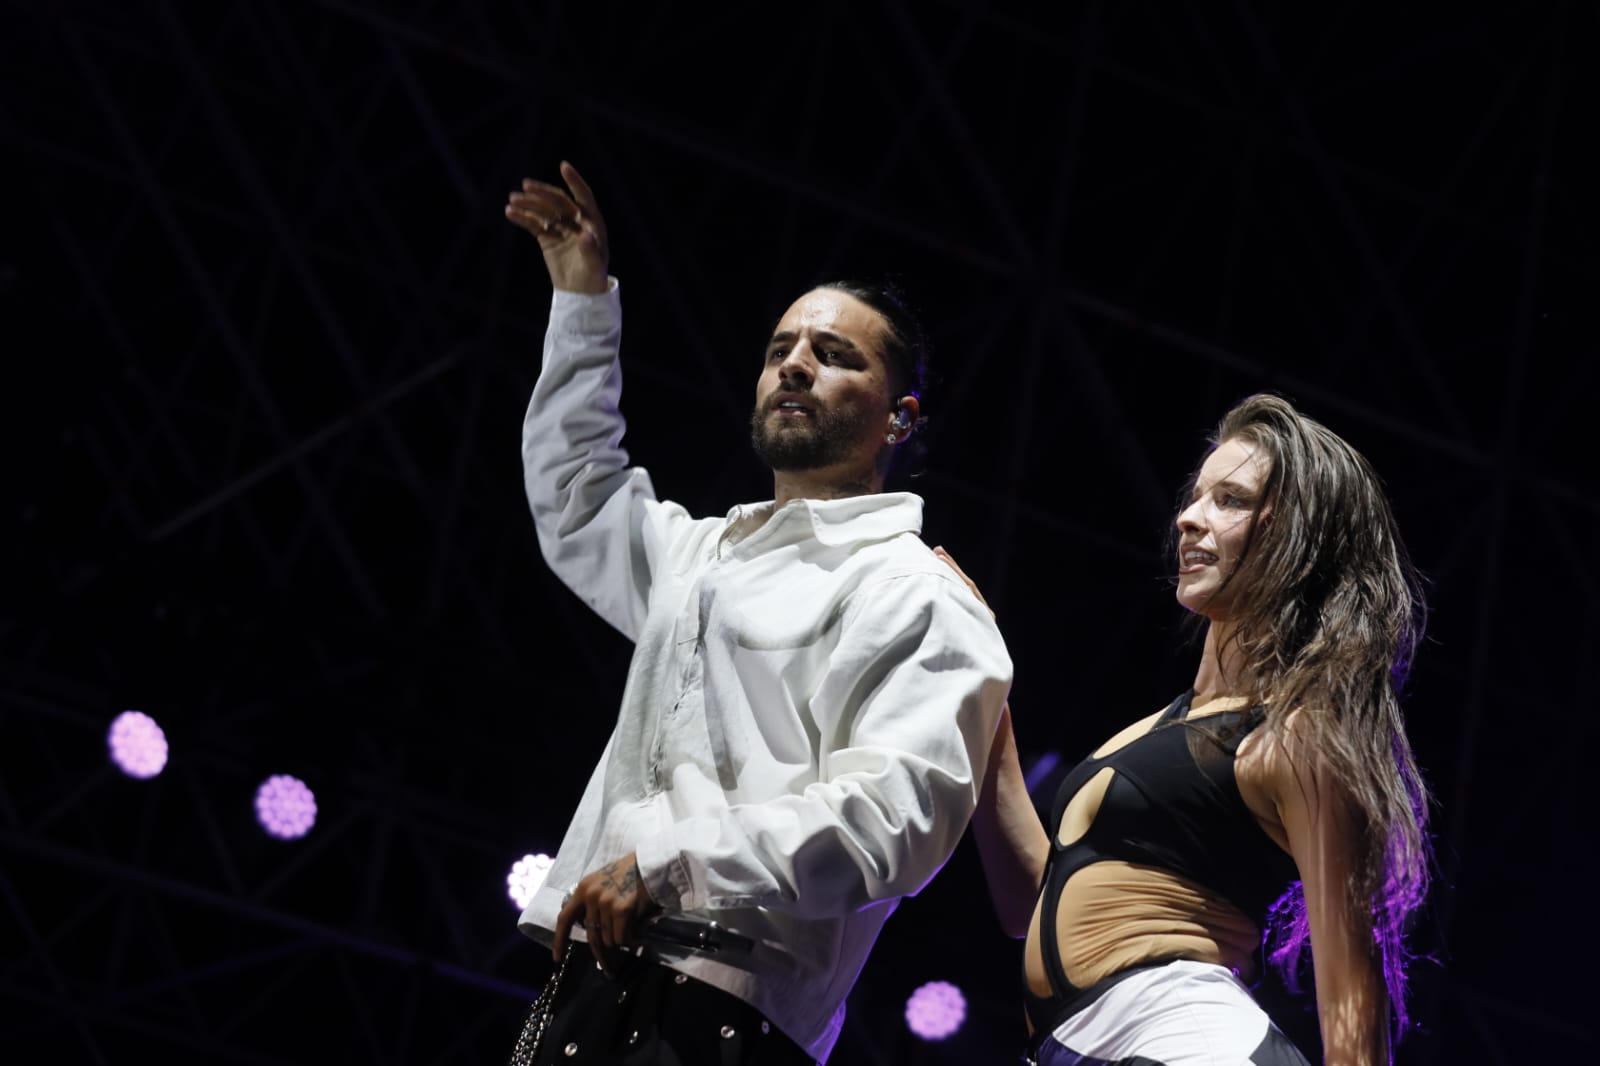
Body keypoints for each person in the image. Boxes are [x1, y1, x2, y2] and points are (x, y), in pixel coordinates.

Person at [501, 162, 1012, 1065]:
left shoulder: (917, 592)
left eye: (835, 355)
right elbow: (578, 495)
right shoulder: (704, 556)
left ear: (900, 418)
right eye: (780, 349)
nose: (795, 365)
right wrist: (581, 300)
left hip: (725, 1008)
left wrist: (671, 866)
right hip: (592, 973)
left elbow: (894, 816)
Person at [950, 394, 1430, 1066]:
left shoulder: (1297, 737)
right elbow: (1033, 906)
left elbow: (1353, 1005)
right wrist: (983, 690)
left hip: (1180, 1040)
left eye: (1230, 501)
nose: (1188, 517)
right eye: (1197, 495)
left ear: (1295, 541)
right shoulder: (1167, 727)